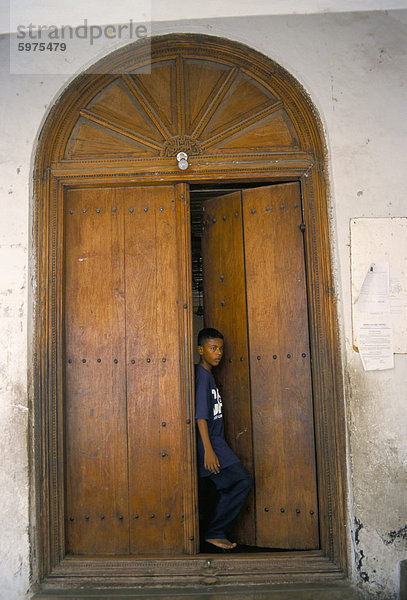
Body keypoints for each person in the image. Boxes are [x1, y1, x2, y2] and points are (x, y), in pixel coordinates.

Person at [195, 327, 253, 551]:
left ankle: (213, 531)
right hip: (212, 445)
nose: (218, 353)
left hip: (217, 444)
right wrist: (208, 450)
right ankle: (215, 532)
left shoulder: (209, 376)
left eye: (220, 348)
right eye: (212, 348)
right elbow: (200, 417)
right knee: (243, 481)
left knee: (228, 486)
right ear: (201, 350)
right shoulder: (202, 377)